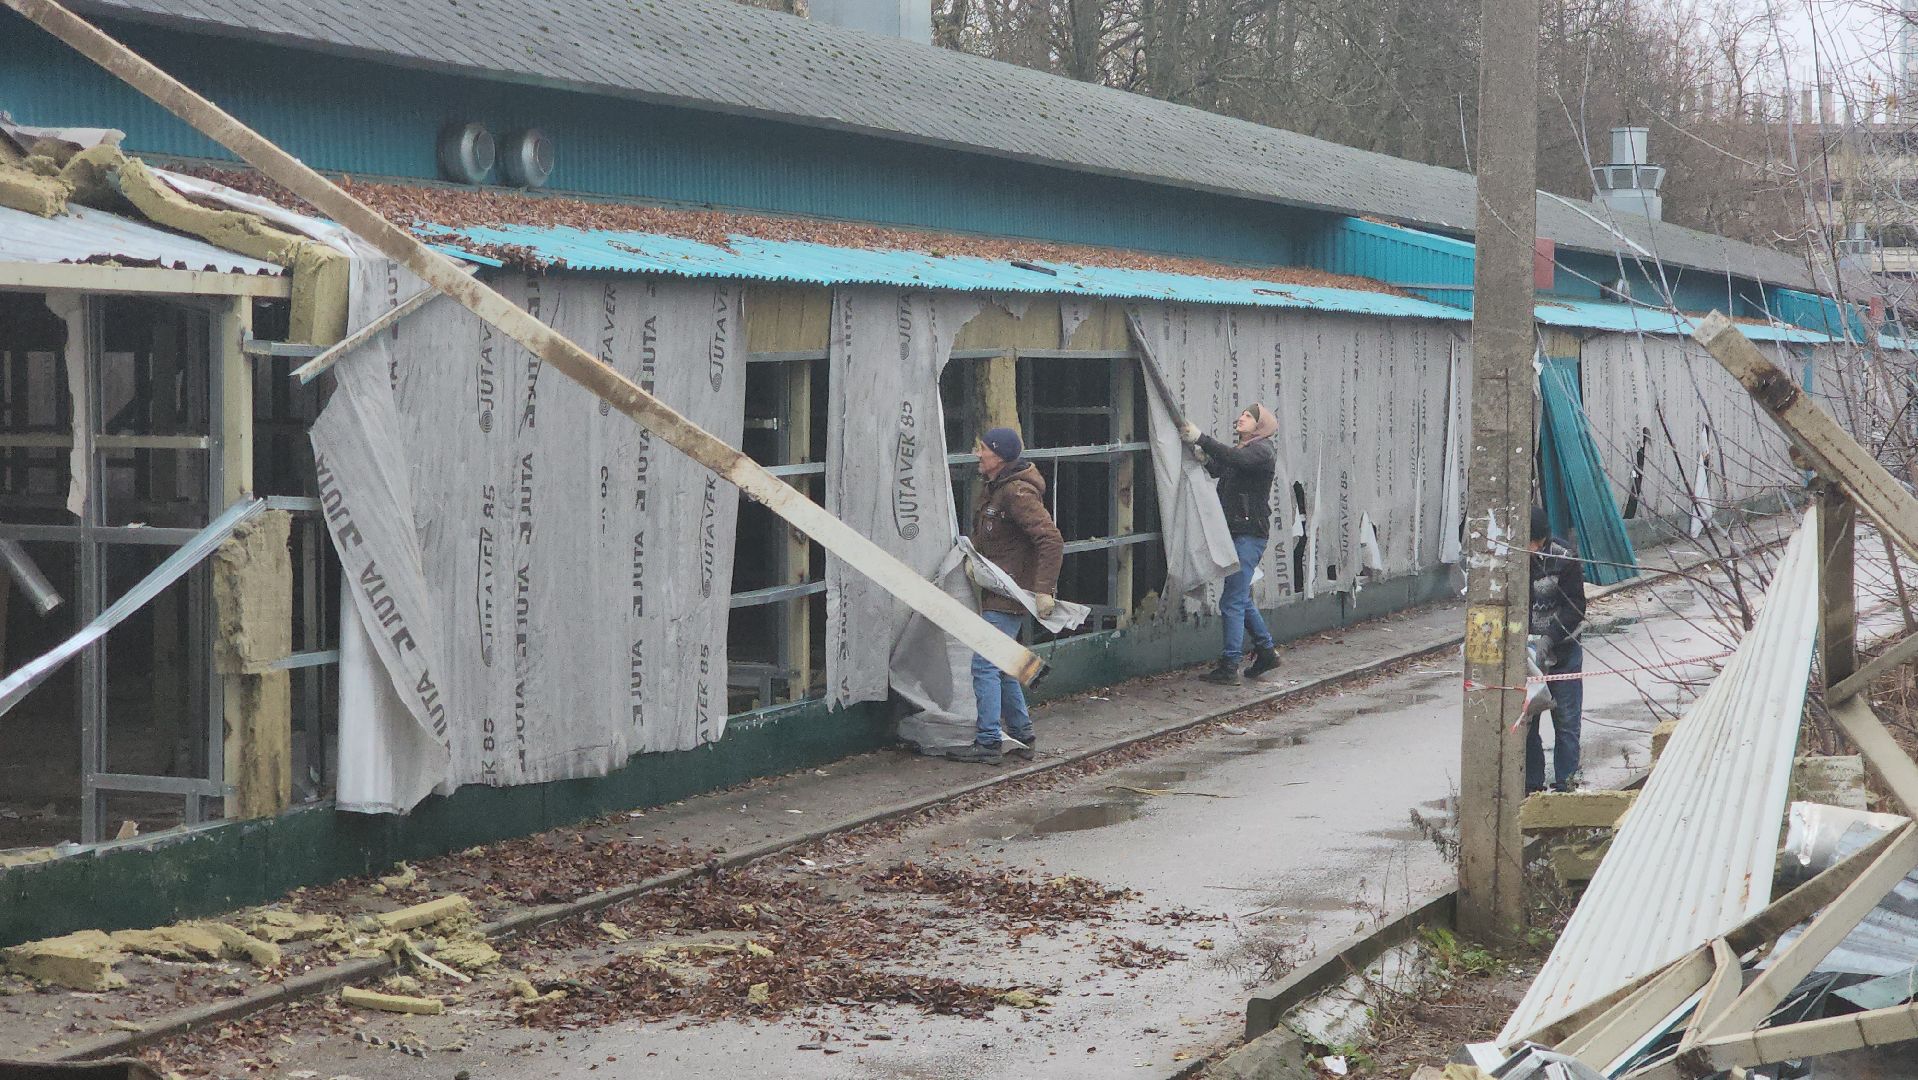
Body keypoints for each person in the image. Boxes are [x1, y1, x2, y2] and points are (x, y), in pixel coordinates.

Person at [950, 426, 1063, 765]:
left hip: (1009, 594)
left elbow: (1051, 540)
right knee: (1003, 664)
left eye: (981, 448)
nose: (977, 454)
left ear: (997, 455)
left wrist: (1043, 591)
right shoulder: (996, 488)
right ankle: (1022, 732)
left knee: (984, 663)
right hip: (997, 590)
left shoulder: (1016, 494)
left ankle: (987, 742)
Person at [1181, 405, 1283, 685]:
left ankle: (1229, 665)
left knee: (1232, 601)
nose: (1241, 418)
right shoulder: (1245, 451)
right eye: (1241, 414)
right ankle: (1265, 651)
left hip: (1249, 534)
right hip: (1237, 532)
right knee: (1240, 599)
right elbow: (1223, 467)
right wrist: (1203, 457)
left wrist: (1201, 438)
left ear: (1261, 426)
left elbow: (1233, 460)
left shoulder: (1261, 450)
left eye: (1249, 416)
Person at [1527, 506, 1587, 793]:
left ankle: (1566, 786)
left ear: (1541, 539)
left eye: (1531, 543)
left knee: (1566, 724)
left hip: (1564, 655)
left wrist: (1550, 637)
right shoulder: (1516, 562)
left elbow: (1576, 607)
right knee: (1528, 727)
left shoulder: (1564, 558)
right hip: (1529, 660)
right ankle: (1531, 788)